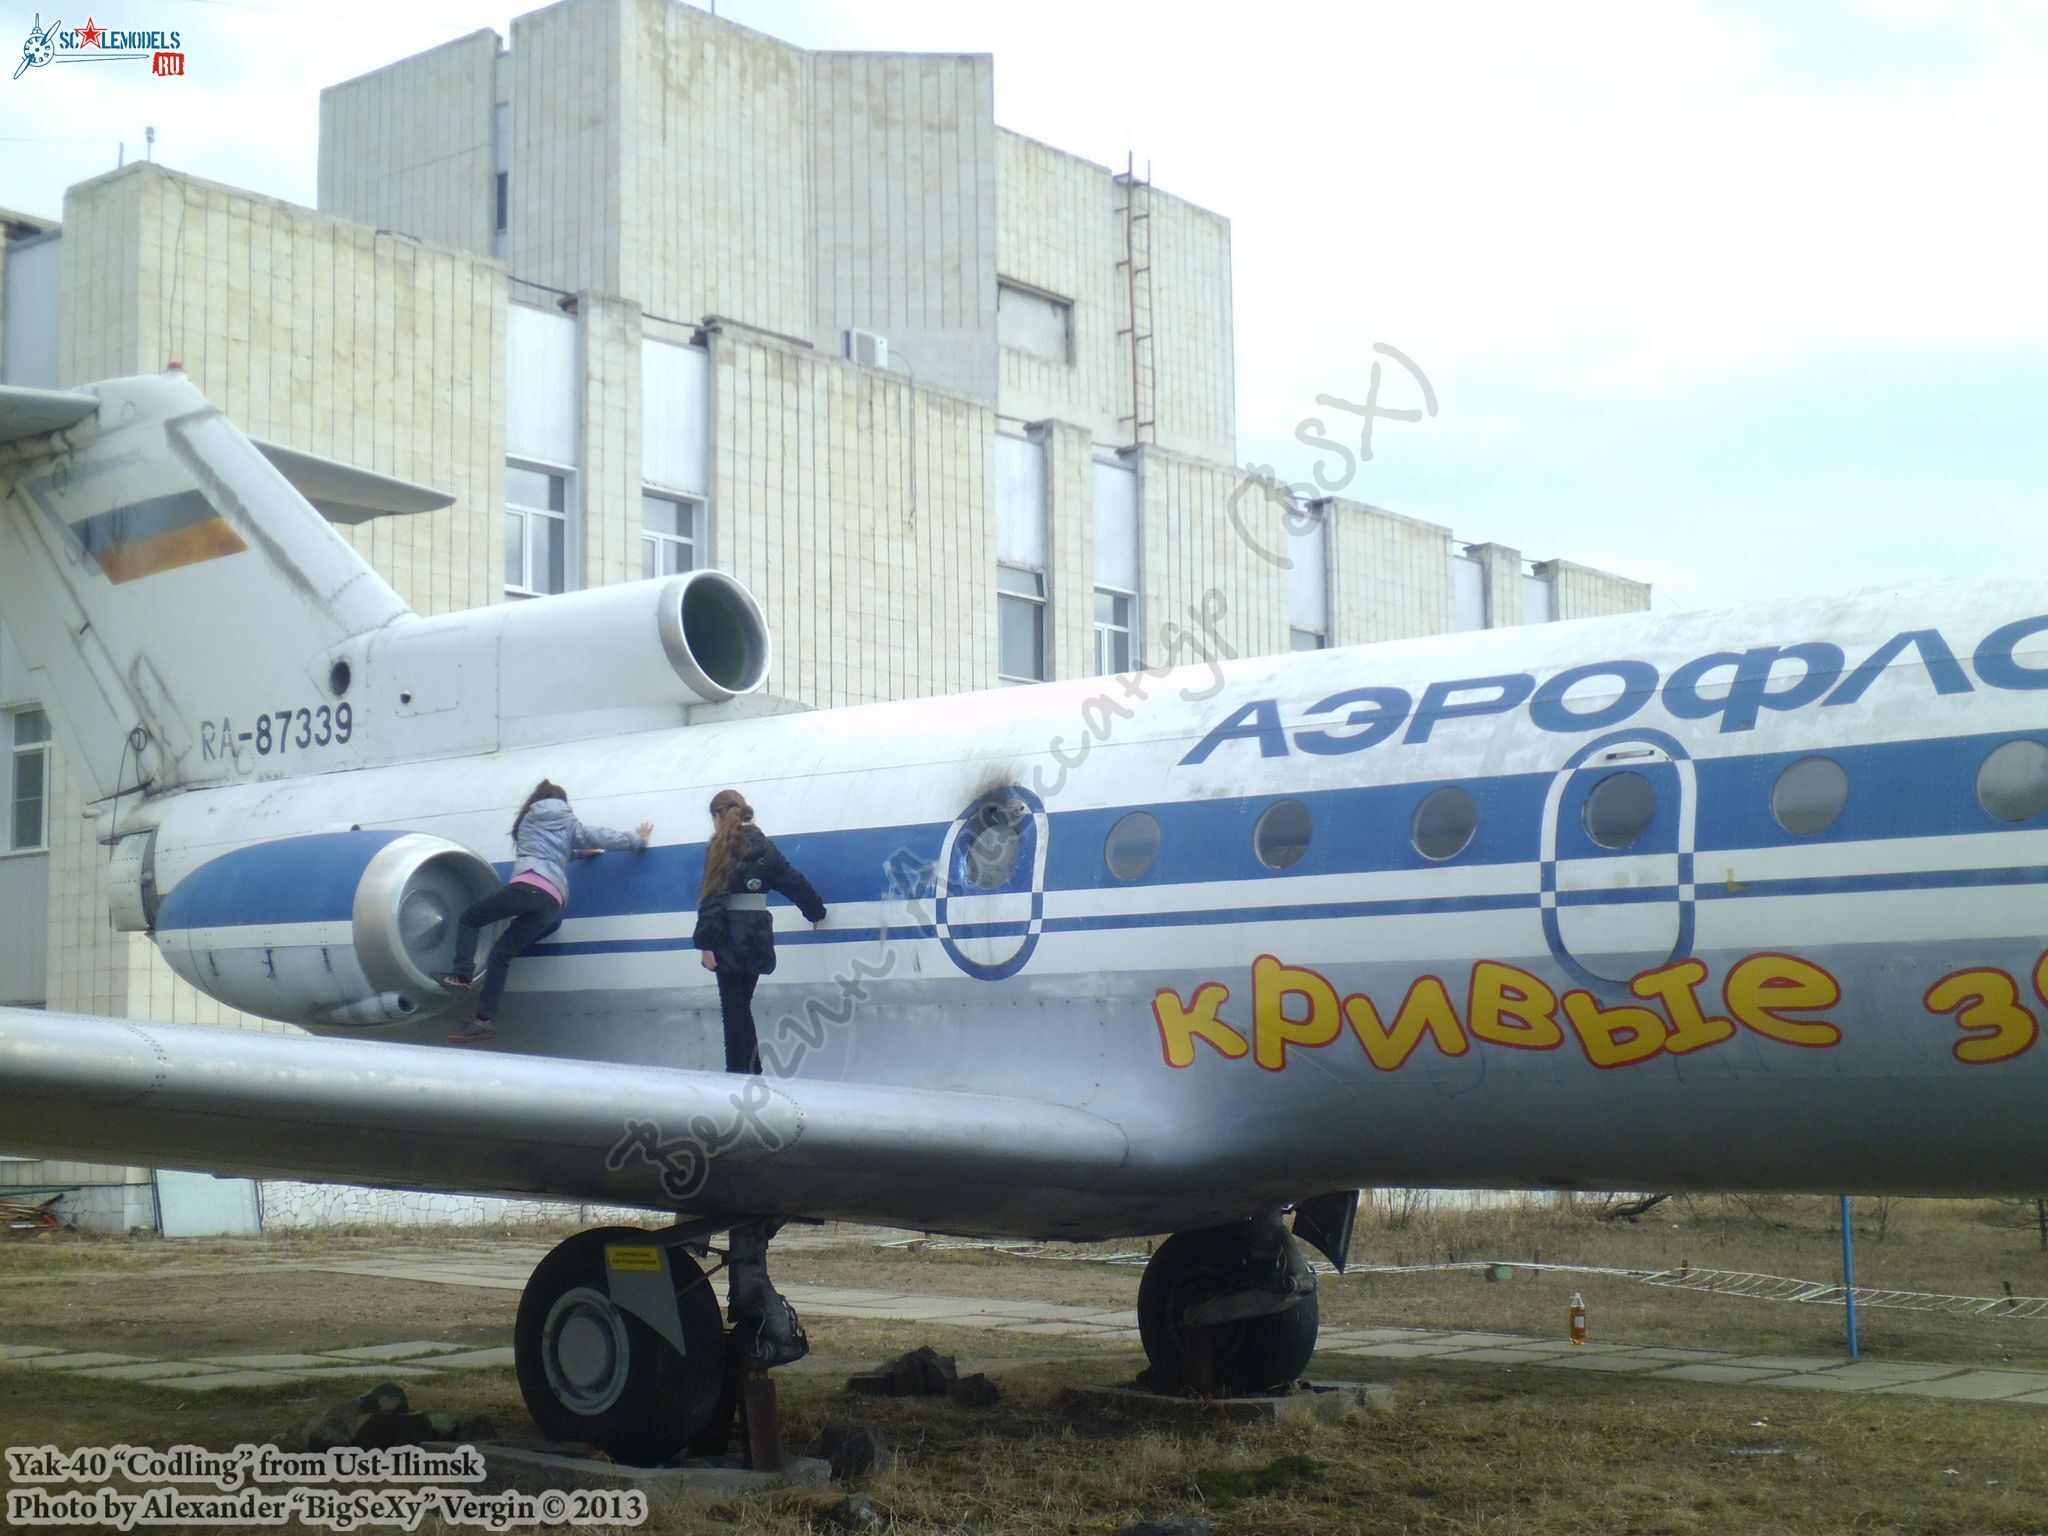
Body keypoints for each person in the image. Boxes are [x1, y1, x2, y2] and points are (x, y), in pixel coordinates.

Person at [442, 780, 652, 1043]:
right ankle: (482, 1021)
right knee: (502, 953)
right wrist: (637, 841)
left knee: (471, 919)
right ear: (563, 802)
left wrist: (576, 852)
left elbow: (540, 851)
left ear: (535, 800)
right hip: (552, 901)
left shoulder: (527, 822)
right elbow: (593, 837)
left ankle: (462, 978)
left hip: (527, 887)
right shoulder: (567, 821)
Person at [693, 789, 826, 1073]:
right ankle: (751, 1071)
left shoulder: (720, 847)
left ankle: (740, 1072)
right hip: (757, 934)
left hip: (727, 936)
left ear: (717, 816)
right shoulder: (764, 847)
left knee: (733, 1009)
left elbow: (713, 897)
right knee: (742, 1005)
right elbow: (793, 882)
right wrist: (815, 911)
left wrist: (706, 943)